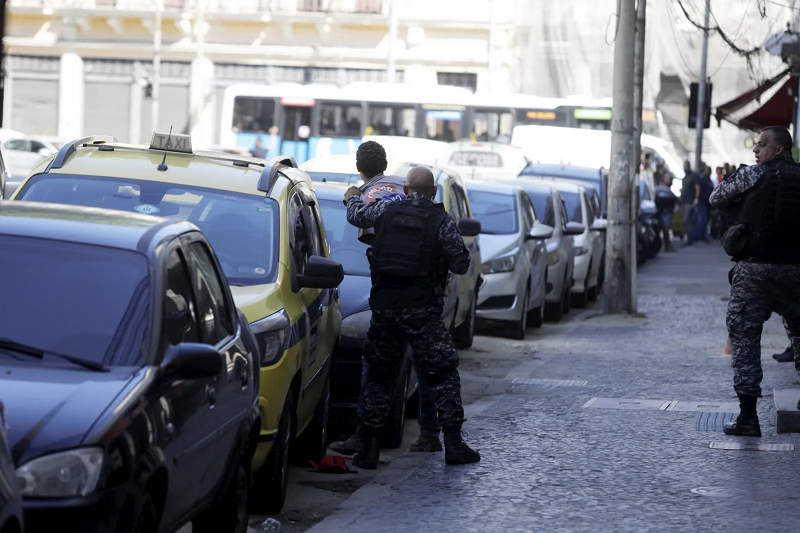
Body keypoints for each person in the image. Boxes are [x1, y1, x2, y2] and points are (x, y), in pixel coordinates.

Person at [342, 166, 481, 467]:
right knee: (442, 374)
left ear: (405, 190)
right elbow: (461, 263)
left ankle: (367, 449)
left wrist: (352, 196)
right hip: (423, 312)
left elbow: (356, 215)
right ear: (433, 193)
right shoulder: (441, 221)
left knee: (380, 376)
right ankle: (453, 445)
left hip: (386, 308)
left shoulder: (385, 211)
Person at [328, 141, 444, 456]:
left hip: (392, 300)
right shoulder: (408, 192)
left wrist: (350, 196)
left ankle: (366, 439)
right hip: (423, 300)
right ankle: (431, 435)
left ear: (358, 166)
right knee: (425, 368)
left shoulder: (371, 196)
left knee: (377, 369)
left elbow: (358, 217)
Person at [710, 126, 800, 437]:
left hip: (756, 270)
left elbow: (716, 197)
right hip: (796, 271)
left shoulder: (753, 175)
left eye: (761, 145)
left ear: (777, 150)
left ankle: (748, 417)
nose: (755, 151)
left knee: (745, 338)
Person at [679, 160, 700, 246]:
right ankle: (689, 237)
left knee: (687, 219)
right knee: (686, 220)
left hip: (690, 201)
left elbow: (697, 188)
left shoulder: (693, 176)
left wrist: (696, 200)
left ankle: (689, 238)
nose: (685, 168)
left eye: (686, 166)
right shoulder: (685, 178)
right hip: (684, 201)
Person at [655, 174, 678, 252]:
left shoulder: (669, 190)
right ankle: (664, 246)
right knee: (662, 229)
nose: (668, 180)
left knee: (666, 229)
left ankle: (667, 245)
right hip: (660, 211)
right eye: (666, 178)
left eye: (669, 179)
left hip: (666, 212)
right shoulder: (661, 188)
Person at [692, 164, 714, 243]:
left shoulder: (709, 180)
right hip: (702, 203)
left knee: (705, 220)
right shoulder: (703, 179)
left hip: (708, 204)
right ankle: (698, 236)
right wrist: (697, 200)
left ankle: (702, 235)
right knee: (702, 219)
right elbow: (698, 189)